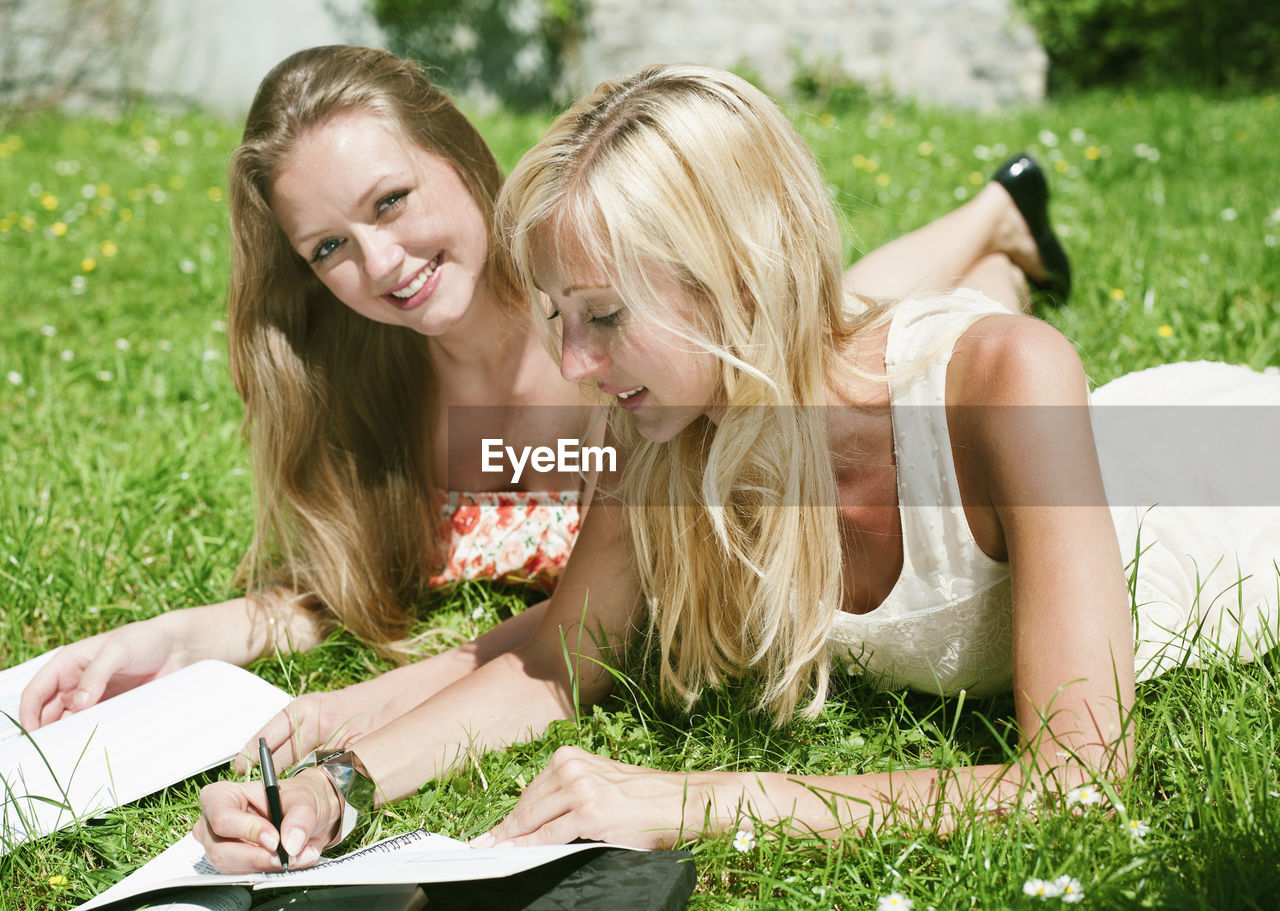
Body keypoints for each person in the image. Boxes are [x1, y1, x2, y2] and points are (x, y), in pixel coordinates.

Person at [190, 62, 1280, 871]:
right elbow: (564, 656)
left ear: (729, 275)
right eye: (563, 317)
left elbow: (1078, 780)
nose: (572, 360)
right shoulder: (662, 416)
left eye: (604, 315)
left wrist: (692, 797)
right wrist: (342, 782)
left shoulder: (1005, 378)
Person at [16, 47, 1069, 772]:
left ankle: (994, 221)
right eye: (328, 247)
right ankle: (998, 236)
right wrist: (174, 639)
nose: (379, 264)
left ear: (461, 159)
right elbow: (357, 586)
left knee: (872, 311)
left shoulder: (602, 306)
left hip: (810, 369)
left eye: (391, 202)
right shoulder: (381, 392)